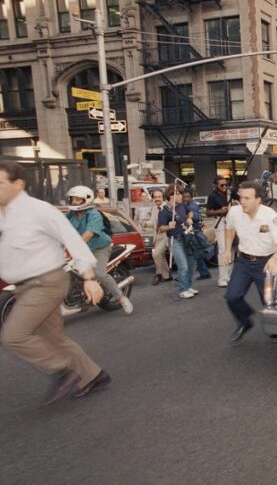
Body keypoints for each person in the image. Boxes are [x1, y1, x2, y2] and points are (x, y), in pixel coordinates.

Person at [0, 161, 111, 405]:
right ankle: (94, 376)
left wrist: (89, 278)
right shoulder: (3, 214)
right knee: (54, 339)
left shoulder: (39, 210)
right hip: (24, 287)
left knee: (13, 335)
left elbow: (73, 239)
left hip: (46, 283)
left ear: (18, 184)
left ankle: (63, 371)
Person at [221, 182, 277, 343]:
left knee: (268, 300)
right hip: (244, 261)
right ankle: (245, 322)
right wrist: (227, 249)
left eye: (247, 198)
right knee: (232, 296)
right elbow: (229, 228)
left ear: (258, 200)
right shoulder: (235, 212)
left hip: (265, 263)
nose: (242, 201)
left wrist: (275, 258)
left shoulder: (270, 216)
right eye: (240, 198)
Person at [65, 186, 133, 314]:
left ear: (86, 200)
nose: (74, 202)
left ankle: (121, 298)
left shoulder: (94, 214)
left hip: (100, 248)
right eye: (72, 199)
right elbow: (60, 226)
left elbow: (89, 234)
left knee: (99, 273)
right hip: (82, 249)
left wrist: (73, 244)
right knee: (68, 271)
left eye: (77, 199)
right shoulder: (71, 215)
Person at [158, 185, 197, 299]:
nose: (181, 196)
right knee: (183, 266)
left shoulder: (182, 205)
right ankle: (183, 289)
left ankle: (188, 286)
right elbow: (160, 228)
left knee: (191, 263)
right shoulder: (164, 211)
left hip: (187, 237)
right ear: (171, 196)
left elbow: (190, 212)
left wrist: (189, 218)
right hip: (175, 240)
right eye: (179, 194)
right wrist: (168, 226)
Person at [207, 177, 233, 288]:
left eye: (226, 184)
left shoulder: (229, 193)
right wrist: (220, 211)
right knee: (223, 250)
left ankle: (229, 275)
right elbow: (208, 212)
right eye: (221, 185)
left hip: (231, 221)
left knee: (232, 248)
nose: (224, 187)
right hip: (220, 221)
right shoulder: (212, 196)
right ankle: (222, 277)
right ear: (215, 185)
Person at [182, 189, 212, 281]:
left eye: (187, 197)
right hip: (193, 231)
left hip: (193, 231)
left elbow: (196, 217)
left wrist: (190, 217)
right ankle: (204, 272)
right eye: (184, 197)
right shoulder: (188, 205)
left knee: (193, 253)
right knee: (196, 253)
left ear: (191, 197)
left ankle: (186, 274)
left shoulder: (192, 206)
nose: (185, 198)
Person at [148, 189, 172, 285]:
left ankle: (158, 274)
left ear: (163, 198)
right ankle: (167, 276)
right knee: (161, 256)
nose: (157, 199)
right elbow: (153, 223)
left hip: (166, 235)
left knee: (156, 254)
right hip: (157, 236)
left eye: (159, 197)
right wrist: (144, 223)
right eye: (155, 197)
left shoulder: (167, 208)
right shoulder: (154, 209)